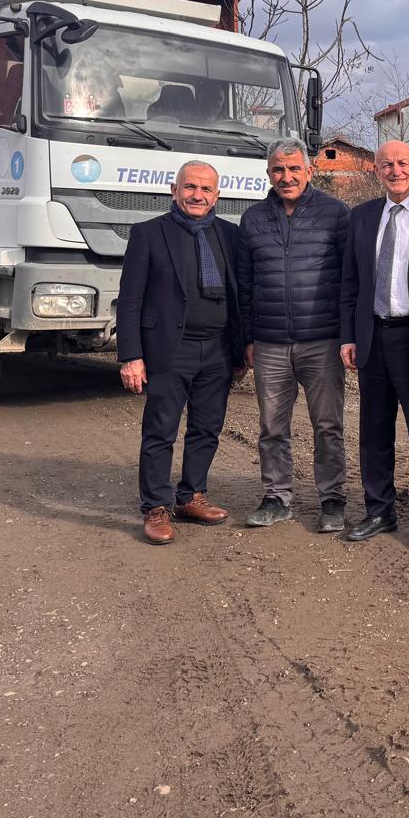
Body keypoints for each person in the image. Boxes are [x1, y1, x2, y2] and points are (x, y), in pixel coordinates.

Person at [116, 161, 246, 545]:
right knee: (161, 430)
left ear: (217, 196)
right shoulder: (148, 234)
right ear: (174, 190)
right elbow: (130, 300)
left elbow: (241, 296)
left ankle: (191, 496)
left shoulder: (231, 235)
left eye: (206, 189)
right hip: (170, 349)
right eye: (190, 187)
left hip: (218, 348)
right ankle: (156, 507)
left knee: (207, 428)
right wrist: (131, 356)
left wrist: (241, 349)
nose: (197, 195)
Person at [338, 141, 409, 551]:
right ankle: (379, 510)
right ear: (375, 170)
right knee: (373, 430)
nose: (395, 170)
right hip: (372, 336)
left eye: (403, 163)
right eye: (386, 164)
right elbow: (350, 282)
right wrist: (349, 335)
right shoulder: (362, 216)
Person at [236, 139, 351, 532]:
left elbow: (349, 280)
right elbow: (245, 284)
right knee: (272, 426)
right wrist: (248, 338)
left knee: (328, 425)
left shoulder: (335, 214)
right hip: (269, 342)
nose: (286, 177)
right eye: (278, 170)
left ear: (309, 171)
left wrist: (347, 335)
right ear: (269, 173)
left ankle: (332, 499)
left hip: (323, 340)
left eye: (294, 169)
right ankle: (276, 497)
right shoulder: (253, 219)